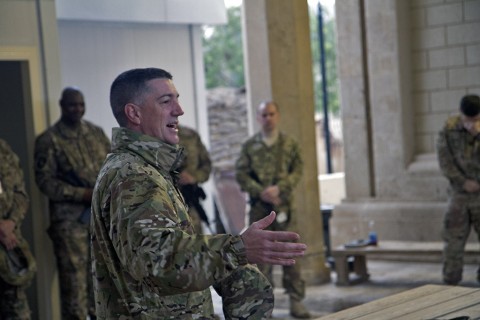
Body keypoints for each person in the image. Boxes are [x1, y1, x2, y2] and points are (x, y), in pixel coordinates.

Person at [91, 67, 307, 319]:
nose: (179, 110)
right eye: (165, 101)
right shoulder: (133, 175)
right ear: (134, 113)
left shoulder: (145, 168)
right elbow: (158, 262)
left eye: (177, 99)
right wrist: (237, 249)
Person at [34, 87, 111, 319]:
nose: (77, 109)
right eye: (71, 105)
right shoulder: (49, 140)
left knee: (102, 284)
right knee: (75, 288)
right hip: (70, 224)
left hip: (99, 220)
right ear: (61, 105)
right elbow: (45, 182)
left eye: (80, 104)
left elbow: (111, 165)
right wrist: (80, 194)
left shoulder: (96, 134)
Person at [235, 100, 310, 319]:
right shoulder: (250, 146)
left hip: (285, 208)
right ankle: (263, 307)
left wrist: (280, 188)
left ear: (277, 116)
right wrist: (261, 191)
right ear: (258, 118)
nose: (268, 118)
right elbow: (241, 174)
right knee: (259, 259)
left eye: (271, 114)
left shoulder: (290, 144)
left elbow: (298, 170)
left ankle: (296, 301)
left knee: (291, 255)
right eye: (264, 115)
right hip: (260, 211)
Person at [437, 93, 480, 285]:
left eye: (476, 120)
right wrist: (463, 182)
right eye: (468, 121)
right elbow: (445, 161)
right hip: (459, 195)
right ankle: (450, 283)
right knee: (453, 242)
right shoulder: (449, 129)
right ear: (461, 114)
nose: (471, 125)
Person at [0, 139, 36, 320]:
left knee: (17, 312)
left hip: (9, 247)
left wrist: (10, 223)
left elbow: (20, 194)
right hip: (4, 236)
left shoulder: (3, 149)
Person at [177, 125, 212, 233]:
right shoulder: (152, 136)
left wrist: (194, 177)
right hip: (164, 206)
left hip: (190, 201)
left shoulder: (190, 135)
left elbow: (206, 166)